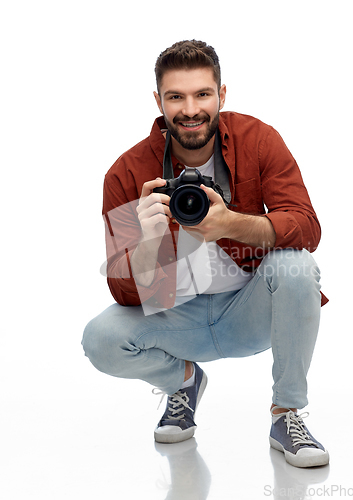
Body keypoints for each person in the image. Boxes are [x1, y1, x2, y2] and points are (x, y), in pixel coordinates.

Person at [82, 40, 330, 468]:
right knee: (100, 338)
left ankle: (287, 414)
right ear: (158, 101)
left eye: (202, 94)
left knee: (297, 265)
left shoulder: (258, 140)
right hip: (178, 320)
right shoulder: (125, 174)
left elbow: (307, 227)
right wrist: (146, 241)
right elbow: (123, 293)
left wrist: (231, 223)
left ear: (222, 95)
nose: (190, 109)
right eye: (176, 96)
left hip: (249, 313)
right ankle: (184, 381)